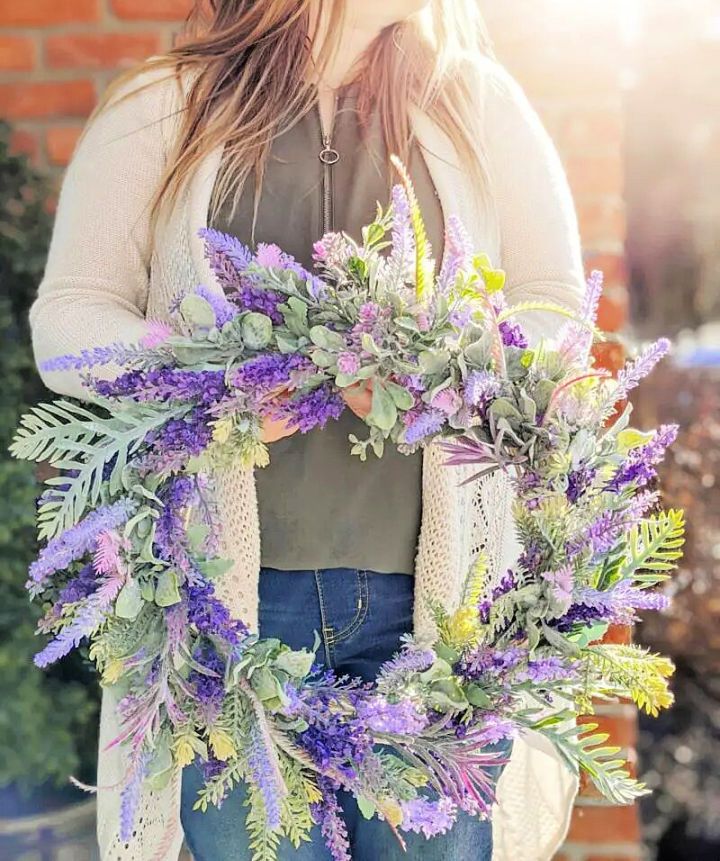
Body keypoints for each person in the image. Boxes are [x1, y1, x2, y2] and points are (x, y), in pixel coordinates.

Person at [30, 2, 587, 859]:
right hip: (230, 619)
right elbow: (68, 316)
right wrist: (214, 370)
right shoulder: (168, 105)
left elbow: (555, 310)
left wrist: (438, 369)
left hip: (439, 612)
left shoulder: (476, 104)